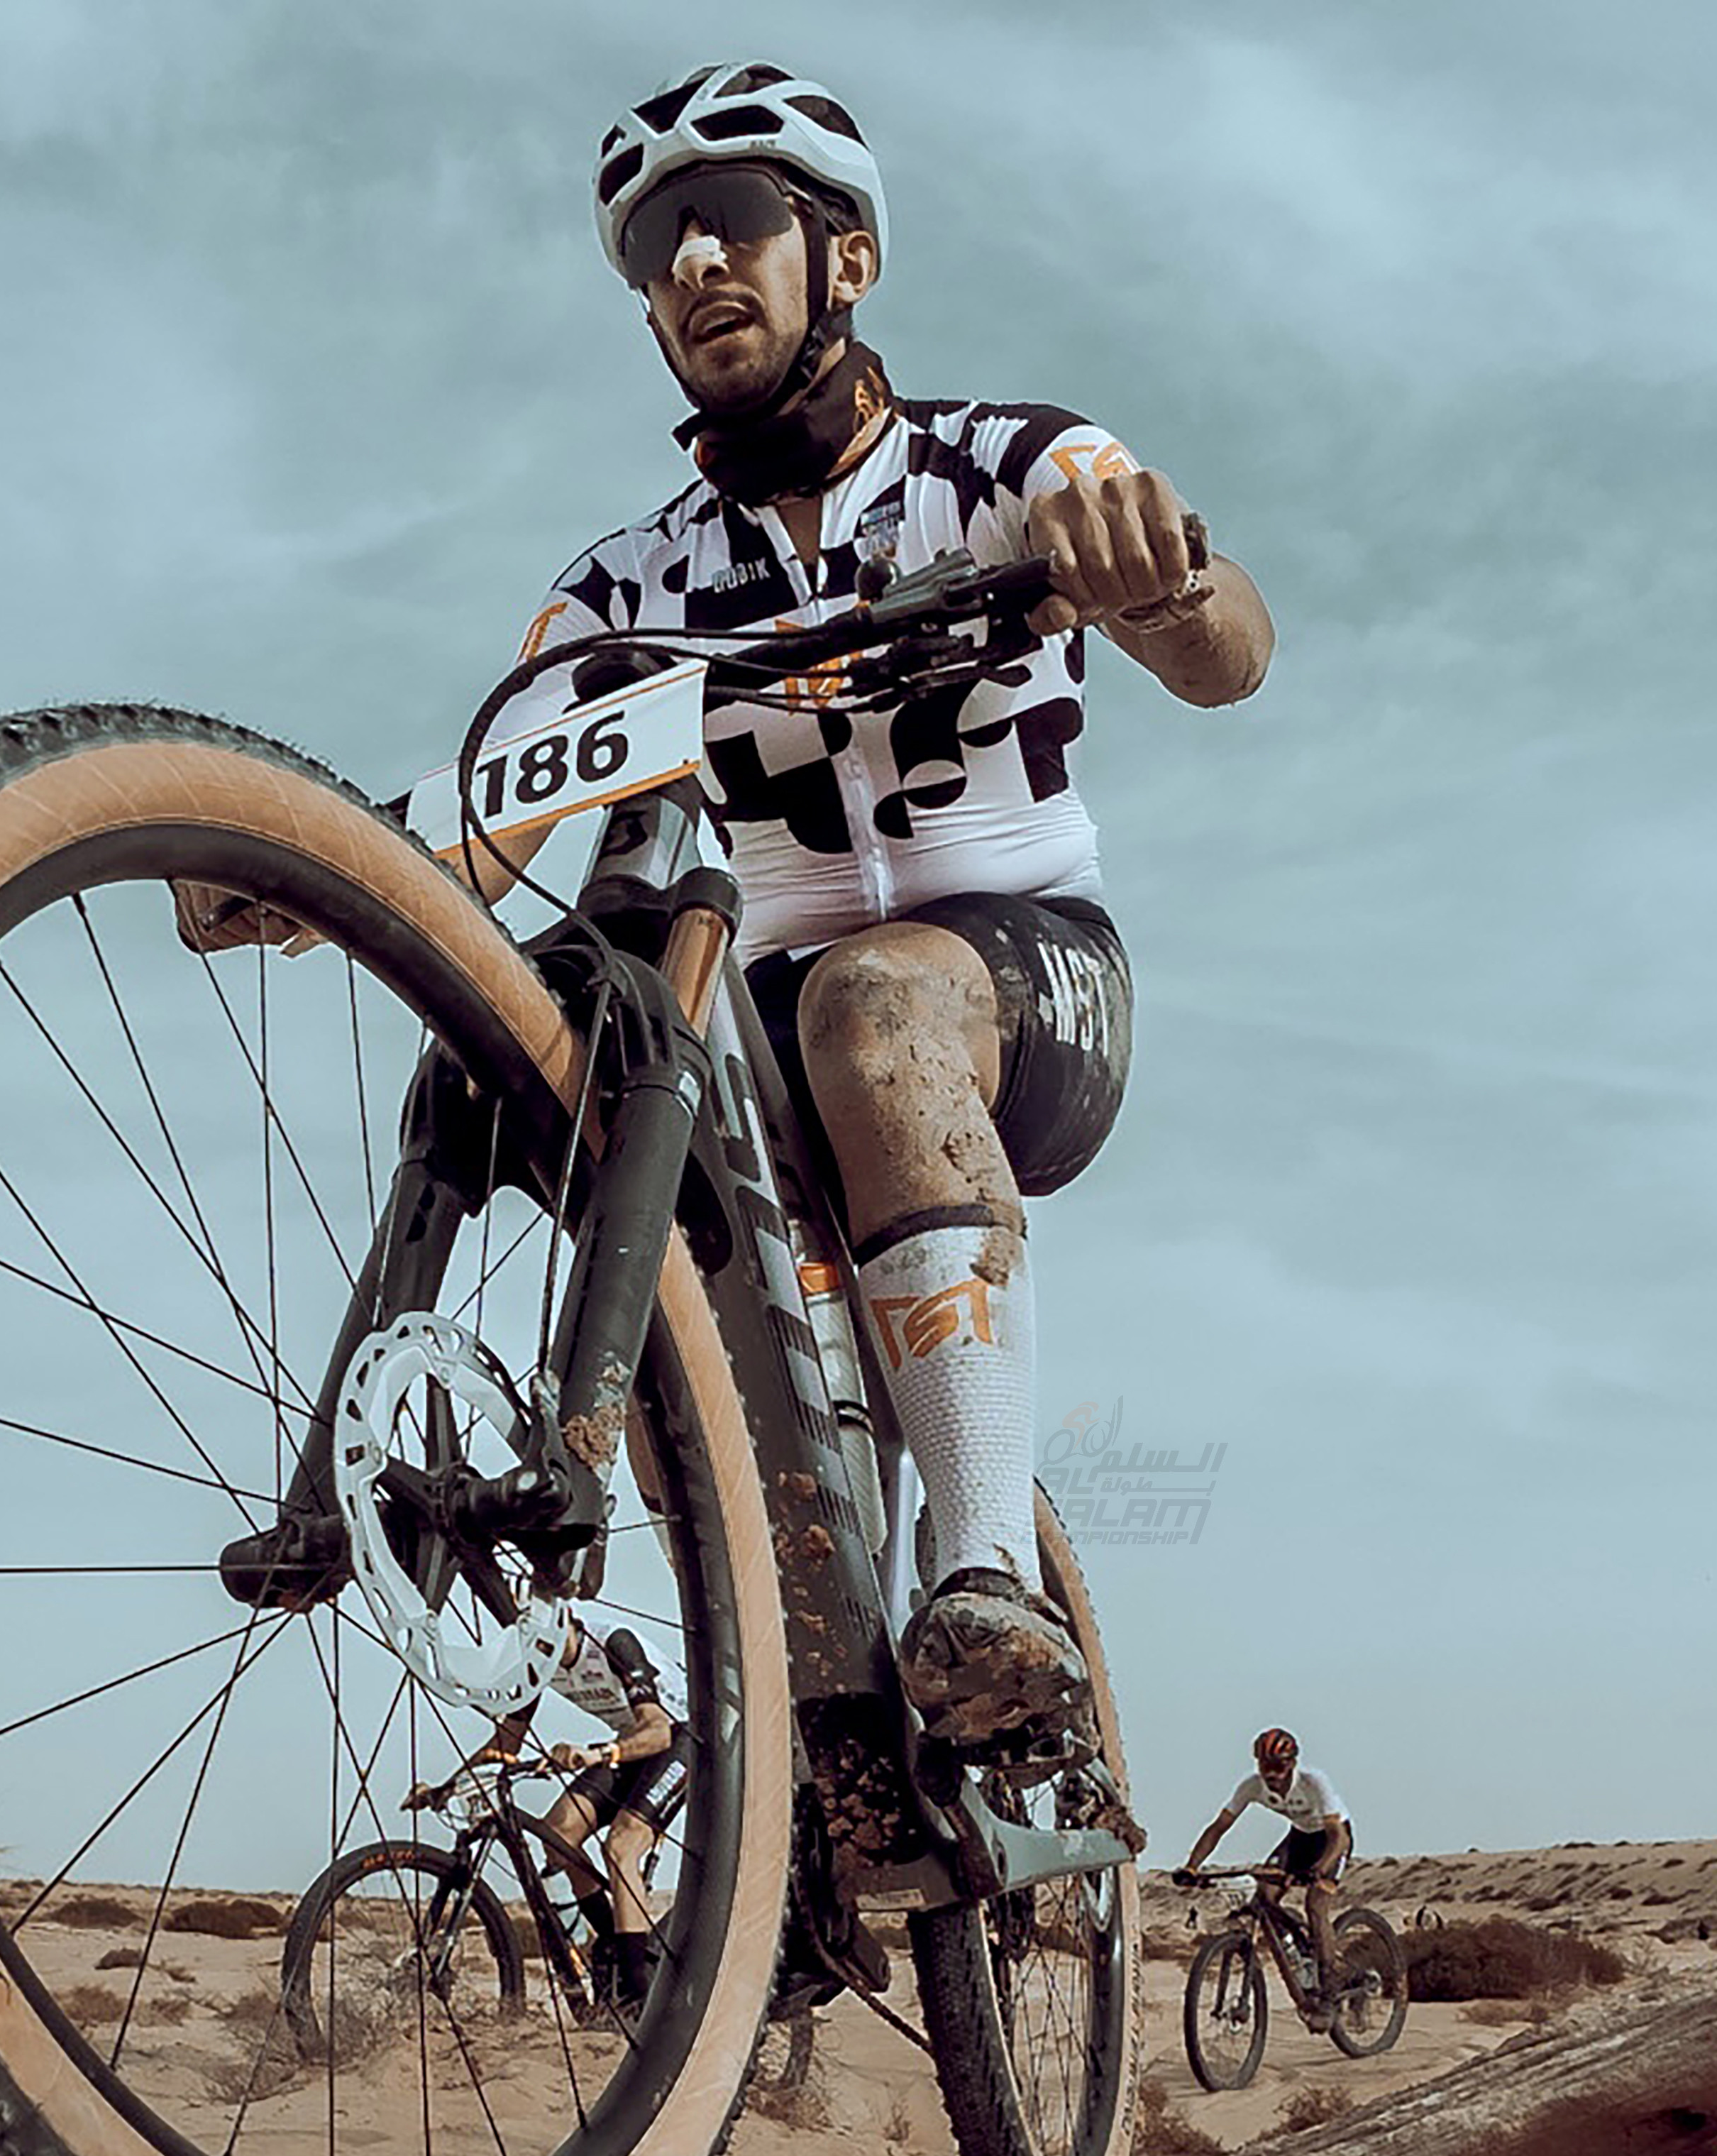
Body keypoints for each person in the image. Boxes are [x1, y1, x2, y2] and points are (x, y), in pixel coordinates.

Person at [532, 63, 1271, 1742]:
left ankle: (986, 1575)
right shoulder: (620, 582)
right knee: (635, 1147)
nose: (691, 264)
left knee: (869, 998)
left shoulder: (1004, 458)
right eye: (654, 248)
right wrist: (314, 871)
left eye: (730, 220)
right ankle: (784, 1734)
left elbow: (1230, 654)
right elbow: (504, 786)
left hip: (1019, 978)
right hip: (759, 1041)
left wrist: (1161, 583)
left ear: (847, 259)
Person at [470, 1611, 680, 2015]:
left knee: (622, 1845)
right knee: (557, 1834)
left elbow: (657, 1731)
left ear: (566, 1617)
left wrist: (597, 1754)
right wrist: (450, 1785)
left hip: (680, 1737)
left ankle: (637, 1987)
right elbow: (505, 1745)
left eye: (546, 1637)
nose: (539, 1649)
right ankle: (615, 1943)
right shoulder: (540, 1663)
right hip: (630, 1744)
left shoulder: (613, 1643)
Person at [1178, 1727, 1349, 1971]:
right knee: (1264, 1897)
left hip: (1333, 1839)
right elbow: (1218, 1827)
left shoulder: (1313, 1782)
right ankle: (1298, 1949)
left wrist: (1320, 1869)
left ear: (1292, 1764)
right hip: (1300, 1837)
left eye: (1278, 1767)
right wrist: (1192, 1867)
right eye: (1265, 1767)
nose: (1272, 1775)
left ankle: (1331, 1973)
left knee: (1315, 1904)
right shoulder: (1252, 1786)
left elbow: (1338, 1836)